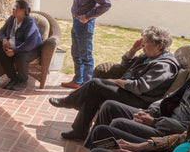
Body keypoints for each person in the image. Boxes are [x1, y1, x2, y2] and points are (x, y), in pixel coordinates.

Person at [49, 26, 180, 140]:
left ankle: (68, 102)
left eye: (146, 42)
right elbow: (124, 66)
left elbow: (140, 87)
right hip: (130, 92)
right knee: (94, 93)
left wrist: (116, 81)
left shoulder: (164, 65)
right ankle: (79, 131)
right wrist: (133, 51)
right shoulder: (149, 56)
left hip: (141, 100)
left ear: (160, 46)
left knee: (95, 85)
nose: (143, 45)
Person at [82, 74, 190, 146]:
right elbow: (169, 98)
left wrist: (155, 122)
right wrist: (151, 112)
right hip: (160, 118)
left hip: (170, 133)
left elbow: (189, 130)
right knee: (110, 107)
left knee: (118, 124)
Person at [61, 0, 111, 89]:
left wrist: (87, 16)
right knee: (76, 53)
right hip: (76, 22)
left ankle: (86, 89)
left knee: (85, 56)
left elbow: (105, 4)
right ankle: (78, 81)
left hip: (85, 24)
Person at [0, 0, 42, 91]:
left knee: (21, 56)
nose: (13, 9)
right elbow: (1, 32)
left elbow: (30, 43)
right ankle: (13, 78)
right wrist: (4, 40)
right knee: (1, 52)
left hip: (31, 49)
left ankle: (22, 81)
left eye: (16, 7)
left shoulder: (29, 23)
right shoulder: (12, 19)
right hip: (15, 47)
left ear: (23, 10)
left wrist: (14, 51)